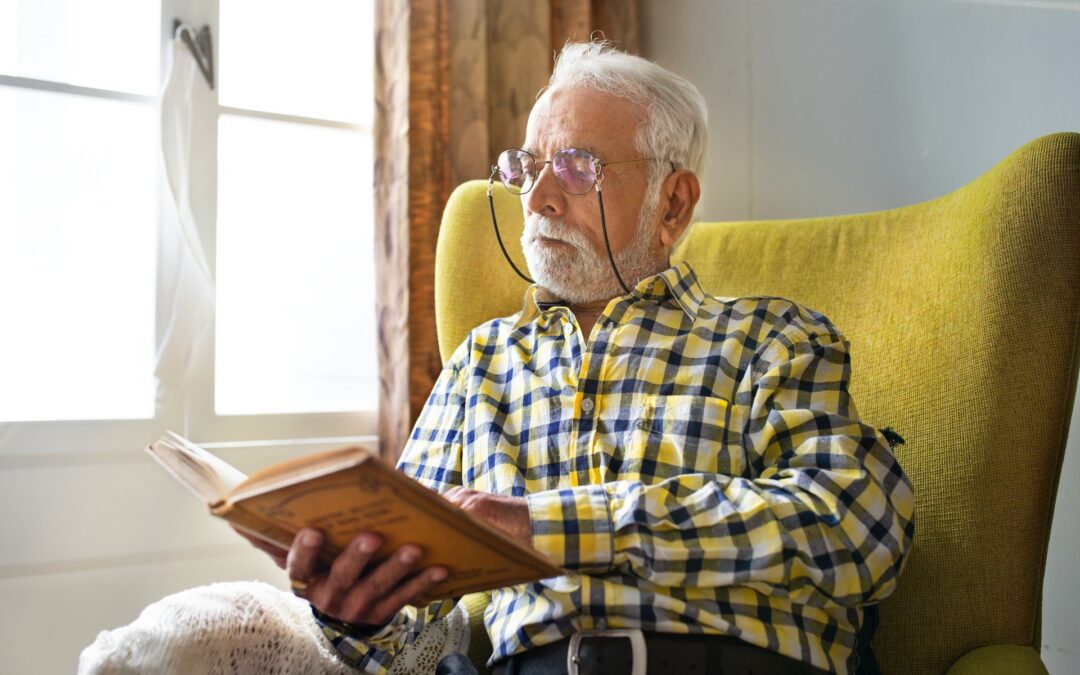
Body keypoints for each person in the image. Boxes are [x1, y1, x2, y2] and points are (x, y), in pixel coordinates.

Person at [80, 41, 912, 675]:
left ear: (674, 201)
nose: (536, 197)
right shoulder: (483, 363)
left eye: (577, 166)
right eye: (526, 167)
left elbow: (859, 528)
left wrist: (553, 526)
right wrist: (357, 610)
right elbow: (408, 640)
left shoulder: (771, 337)